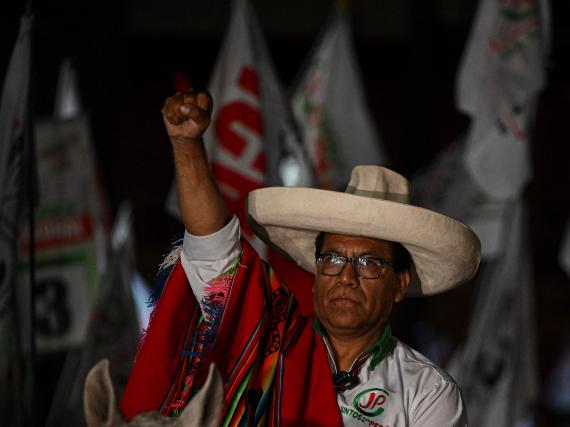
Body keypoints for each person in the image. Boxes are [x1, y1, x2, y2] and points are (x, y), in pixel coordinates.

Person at [120, 91, 481, 426]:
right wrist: (187, 145)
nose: (347, 277)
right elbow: (213, 247)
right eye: (334, 259)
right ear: (317, 268)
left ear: (399, 285)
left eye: (369, 263)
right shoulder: (269, 342)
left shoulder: (427, 392)